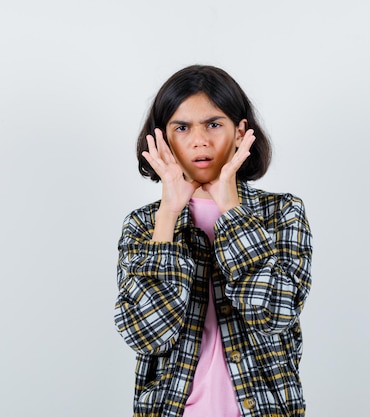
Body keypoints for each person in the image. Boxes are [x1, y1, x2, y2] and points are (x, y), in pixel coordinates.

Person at [114, 65, 313, 417]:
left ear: (240, 132)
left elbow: (274, 315)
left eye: (213, 124)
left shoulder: (281, 212)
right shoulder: (144, 225)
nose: (199, 140)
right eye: (182, 127)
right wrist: (168, 217)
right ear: (162, 138)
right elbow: (147, 336)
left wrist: (231, 211)